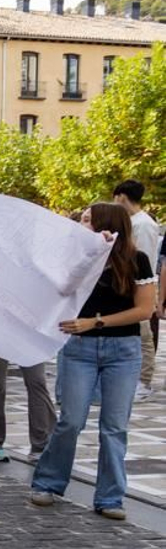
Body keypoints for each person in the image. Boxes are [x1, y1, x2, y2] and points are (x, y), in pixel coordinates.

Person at [32, 203, 158, 519]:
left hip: (123, 351)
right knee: (71, 420)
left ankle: (110, 498)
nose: (80, 225)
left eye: (88, 220)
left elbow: (145, 310)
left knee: (114, 426)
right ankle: (48, 483)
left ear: (108, 224)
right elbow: (63, 288)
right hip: (79, 350)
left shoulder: (137, 260)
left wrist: (95, 322)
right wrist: (93, 255)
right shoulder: (79, 257)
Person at [113, 180, 161, 400]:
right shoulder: (132, 222)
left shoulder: (143, 224)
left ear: (122, 196)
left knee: (143, 334)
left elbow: (144, 257)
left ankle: (143, 382)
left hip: (139, 284)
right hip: (127, 284)